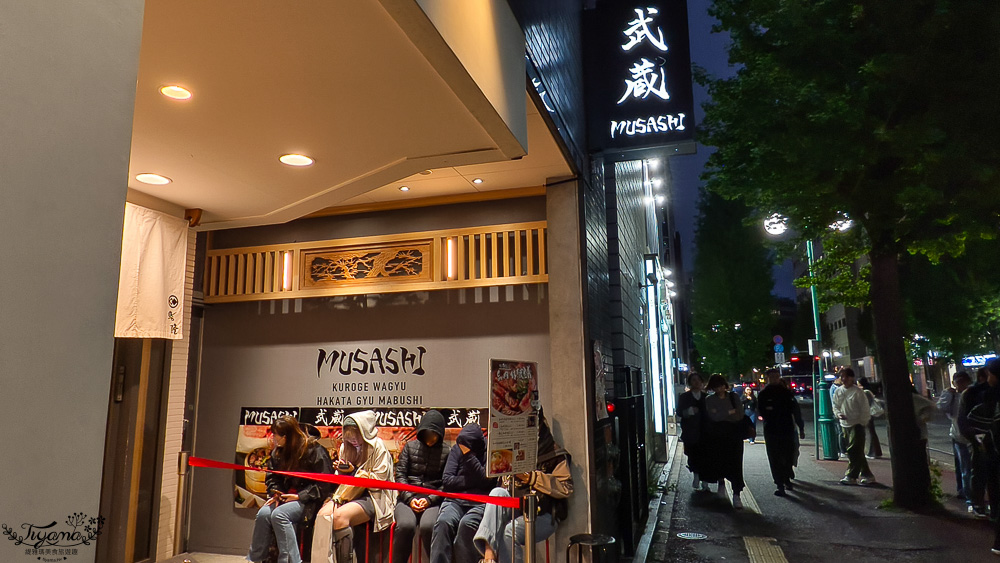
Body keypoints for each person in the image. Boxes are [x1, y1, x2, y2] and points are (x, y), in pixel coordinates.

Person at [474, 411, 573, 563]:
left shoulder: (553, 452)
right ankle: (489, 556)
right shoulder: (510, 448)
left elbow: (565, 487)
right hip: (516, 506)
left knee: (509, 532)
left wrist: (532, 477)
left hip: (544, 513)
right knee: (497, 492)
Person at [312, 411, 397, 563]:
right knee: (323, 515)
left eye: (356, 435)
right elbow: (341, 481)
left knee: (340, 517)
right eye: (349, 436)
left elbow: (379, 481)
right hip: (347, 492)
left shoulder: (378, 447)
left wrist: (354, 471)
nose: (353, 440)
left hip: (374, 496)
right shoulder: (345, 447)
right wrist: (342, 471)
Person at [247, 415, 333, 563]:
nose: (273, 438)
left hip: (309, 500)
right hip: (285, 497)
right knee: (263, 514)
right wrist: (276, 493)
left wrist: (300, 496)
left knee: (279, 515)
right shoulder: (278, 452)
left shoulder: (314, 450)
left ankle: (291, 561)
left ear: (285, 437)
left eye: (276, 435)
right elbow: (273, 477)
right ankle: (255, 559)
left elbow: (325, 484)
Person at [430, 423, 496, 563]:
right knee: (443, 522)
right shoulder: (457, 449)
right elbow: (447, 481)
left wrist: (468, 456)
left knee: (467, 524)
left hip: (480, 501)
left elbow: (488, 482)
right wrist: (476, 480)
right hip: (455, 500)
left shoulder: (490, 451)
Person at [392, 410, 449, 563]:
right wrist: (410, 499)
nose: (430, 437)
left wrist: (429, 500)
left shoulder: (447, 451)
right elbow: (400, 476)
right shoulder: (409, 447)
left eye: (434, 434)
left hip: (433, 499)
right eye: (427, 433)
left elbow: (446, 483)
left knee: (429, 526)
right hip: (407, 498)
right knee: (405, 525)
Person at [959, 366, 1000, 520]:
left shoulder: (978, 394)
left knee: (983, 474)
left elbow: (967, 421)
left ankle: (982, 506)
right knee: (984, 474)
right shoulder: (977, 393)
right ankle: (984, 506)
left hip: (985, 442)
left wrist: (975, 438)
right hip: (985, 442)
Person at [700, 375, 747, 509]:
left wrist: (721, 412)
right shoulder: (710, 399)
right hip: (718, 435)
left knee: (736, 463)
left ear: (724, 385)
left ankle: (736, 494)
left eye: (720, 385)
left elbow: (739, 415)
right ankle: (721, 484)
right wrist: (729, 411)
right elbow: (713, 417)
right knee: (719, 461)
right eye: (715, 386)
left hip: (734, 435)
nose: (719, 389)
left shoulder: (733, 396)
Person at [757, 368, 805, 496]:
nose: (774, 379)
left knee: (788, 454)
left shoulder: (786, 392)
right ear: (768, 378)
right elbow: (762, 411)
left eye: (776, 376)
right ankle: (779, 484)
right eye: (772, 376)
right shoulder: (764, 394)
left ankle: (786, 478)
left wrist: (801, 427)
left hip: (786, 428)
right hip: (772, 430)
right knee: (775, 457)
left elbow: (795, 410)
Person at [831, 367, 875, 485]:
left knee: (853, 449)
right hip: (844, 424)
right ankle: (867, 474)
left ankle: (851, 475)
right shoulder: (838, 391)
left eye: (846, 376)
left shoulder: (858, 392)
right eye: (841, 377)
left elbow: (865, 409)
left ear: (851, 378)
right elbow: (835, 405)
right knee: (857, 451)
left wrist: (863, 422)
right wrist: (838, 414)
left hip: (857, 424)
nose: (843, 379)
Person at [938, 371, 973, 509]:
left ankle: (969, 495)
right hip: (957, 435)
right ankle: (965, 493)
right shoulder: (953, 395)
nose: (960, 385)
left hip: (967, 437)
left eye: (963, 382)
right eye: (957, 382)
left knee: (966, 468)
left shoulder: (971, 394)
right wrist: (947, 394)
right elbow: (941, 408)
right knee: (963, 467)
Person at [677, 373, 709, 491]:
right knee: (692, 454)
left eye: (698, 380)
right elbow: (679, 412)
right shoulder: (684, 397)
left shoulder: (706, 397)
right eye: (694, 380)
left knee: (705, 455)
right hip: (690, 431)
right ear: (690, 382)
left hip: (704, 431)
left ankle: (705, 480)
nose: (696, 382)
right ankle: (696, 475)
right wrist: (689, 411)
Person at [858, 377, 884, 459]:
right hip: (869, 414)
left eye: (859, 384)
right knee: (871, 432)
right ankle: (875, 452)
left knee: (870, 432)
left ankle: (873, 452)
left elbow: (866, 404)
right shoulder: (868, 391)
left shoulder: (865, 392)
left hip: (868, 414)